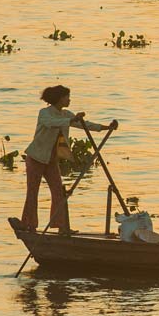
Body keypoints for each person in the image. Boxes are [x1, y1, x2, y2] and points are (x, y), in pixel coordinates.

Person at [21, 85, 118, 234]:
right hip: (36, 158)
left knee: (58, 191)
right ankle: (29, 225)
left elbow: (84, 124)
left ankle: (61, 226)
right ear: (59, 99)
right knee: (33, 192)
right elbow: (52, 123)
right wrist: (71, 120)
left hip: (51, 160)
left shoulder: (66, 114)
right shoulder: (45, 113)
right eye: (67, 97)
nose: (69, 99)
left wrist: (105, 127)